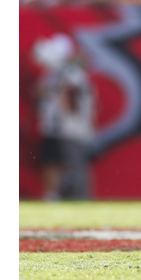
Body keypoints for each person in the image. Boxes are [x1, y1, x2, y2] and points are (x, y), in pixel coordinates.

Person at [33, 33, 96, 201]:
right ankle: (57, 196)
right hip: (58, 127)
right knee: (53, 162)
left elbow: (71, 99)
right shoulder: (57, 73)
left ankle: (79, 197)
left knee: (73, 166)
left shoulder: (72, 73)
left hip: (71, 128)